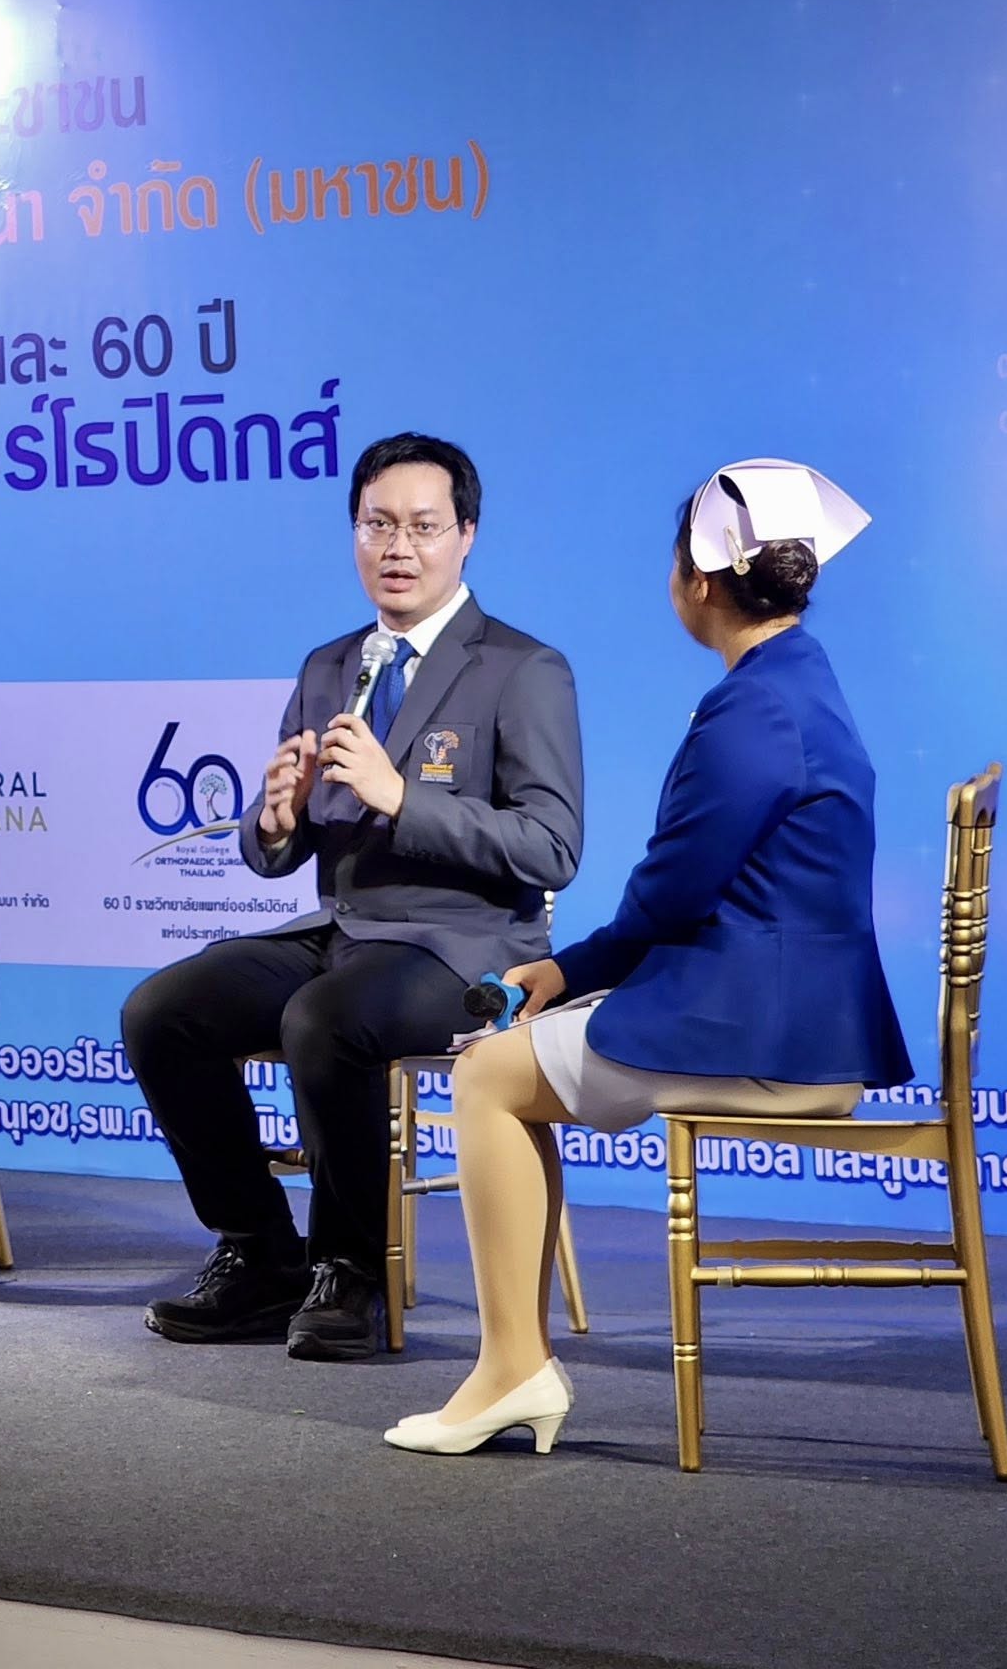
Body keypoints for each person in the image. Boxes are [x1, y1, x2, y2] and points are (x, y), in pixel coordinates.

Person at [385, 460, 914, 1456]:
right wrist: (564, 975)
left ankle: (510, 1369)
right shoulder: (798, 678)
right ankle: (515, 1364)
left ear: (698, 580)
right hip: (789, 1010)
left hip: (759, 1025)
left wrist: (573, 969)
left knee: (485, 1073)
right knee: (514, 1062)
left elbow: (670, 893)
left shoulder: (753, 710)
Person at [123, 434, 584, 1360]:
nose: (398, 547)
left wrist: (404, 797)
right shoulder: (331, 665)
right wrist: (276, 819)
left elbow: (552, 846)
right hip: (341, 929)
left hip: (465, 950)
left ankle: (352, 1272)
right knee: (162, 1012)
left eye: (423, 526)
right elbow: (278, 852)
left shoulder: (522, 667)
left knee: (323, 1019)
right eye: (378, 525)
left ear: (466, 535)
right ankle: (261, 1252)